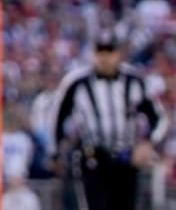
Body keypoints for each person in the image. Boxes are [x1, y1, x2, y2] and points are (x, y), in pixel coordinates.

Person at [49, 29, 169, 210]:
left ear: (118, 53)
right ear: (93, 53)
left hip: (126, 158)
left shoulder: (134, 80)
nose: (104, 57)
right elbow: (56, 118)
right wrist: (55, 153)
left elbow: (159, 117)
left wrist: (148, 143)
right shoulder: (76, 83)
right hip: (92, 158)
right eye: (100, 51)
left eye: (109, 51)